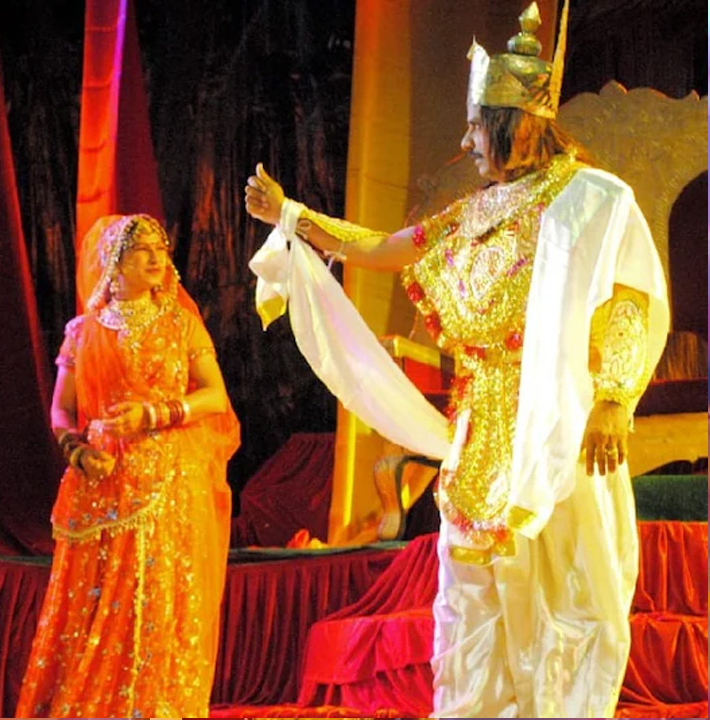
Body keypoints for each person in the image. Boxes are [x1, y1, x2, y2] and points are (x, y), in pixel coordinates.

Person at [244, 3, 669, 717]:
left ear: (512, 125)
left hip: (556, 428)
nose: (466, 140)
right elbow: (384, 248)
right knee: (472, 602)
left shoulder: (594, 199)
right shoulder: (475, 212)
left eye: (475, 125)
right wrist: (293, 217)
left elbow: (630, 297)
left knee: (566, 594)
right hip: (479, 434)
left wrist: (613, 398)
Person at [16, 213, 240, 718]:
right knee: (90, 600)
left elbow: (214, 396)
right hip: (99, 477)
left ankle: (152, 707)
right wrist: (75, 450)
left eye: (161, 248)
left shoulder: (181, 324)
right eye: (142, 249)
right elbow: (61, 409)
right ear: (114, 262)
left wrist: (155, 413)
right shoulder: (82, 331)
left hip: (166, 477)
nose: (157, 257)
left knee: (154, 596)